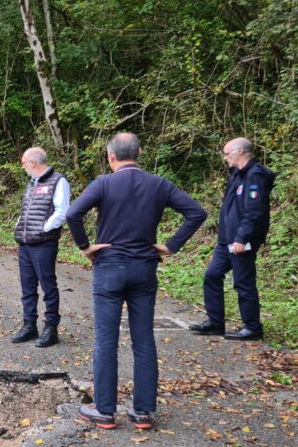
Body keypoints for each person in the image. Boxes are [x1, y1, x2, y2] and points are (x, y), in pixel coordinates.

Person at [66, 133, 206, 430]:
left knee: (106, 340)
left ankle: (104, 410)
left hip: (110, 268)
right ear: (139, 153)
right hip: (144, 269)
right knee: (144, 340)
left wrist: (85, 246)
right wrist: (170, 245)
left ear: (110, 156)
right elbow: (196, 212)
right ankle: (143, 411)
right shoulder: (159, 184)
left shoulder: (103, 183)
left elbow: (73, 213)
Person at [189, 137, 274, 341]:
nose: (225, 158)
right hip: (226, 240)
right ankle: (215, 323)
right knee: (212, 275)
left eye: (227, 154)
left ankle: (252, 327)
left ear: (240, 152)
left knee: (243, 282)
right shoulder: (237, 175)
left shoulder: (255, 176)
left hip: (241, 241)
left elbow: (254, 212)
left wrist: (242, 238)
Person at [10, 147, 70, 348]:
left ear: (33, 163)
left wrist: (42, 229)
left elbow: (62, 212)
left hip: (44, 243)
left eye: (24, 163)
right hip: (25, 243)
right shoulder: (31, 183)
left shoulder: (58, 182)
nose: (23, 167)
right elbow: (26, 210)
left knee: (48, 286)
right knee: (27, 286)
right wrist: (20, 226)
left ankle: (50, 328)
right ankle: (29, 325)